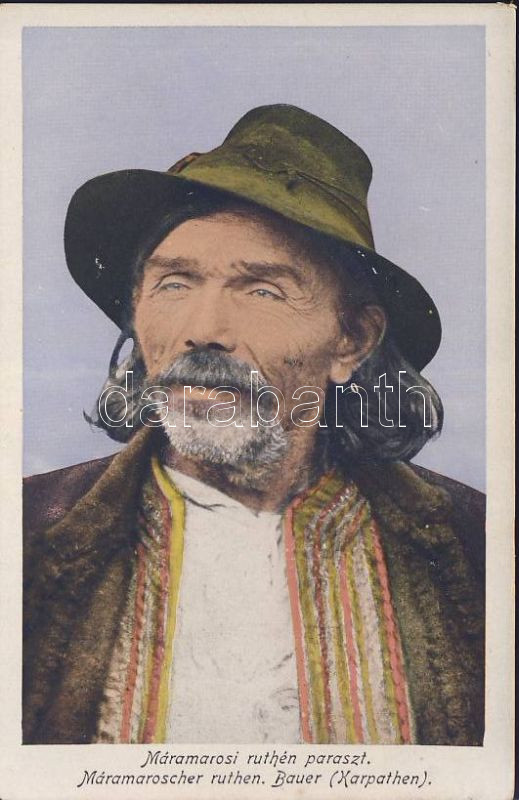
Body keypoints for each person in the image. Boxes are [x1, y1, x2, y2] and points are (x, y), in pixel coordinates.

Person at [23, 104, 484, 746]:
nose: (203, 330)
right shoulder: (26, 533)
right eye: (175, 283)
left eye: (262, 290)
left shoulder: (477, 547)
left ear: (352, 339)